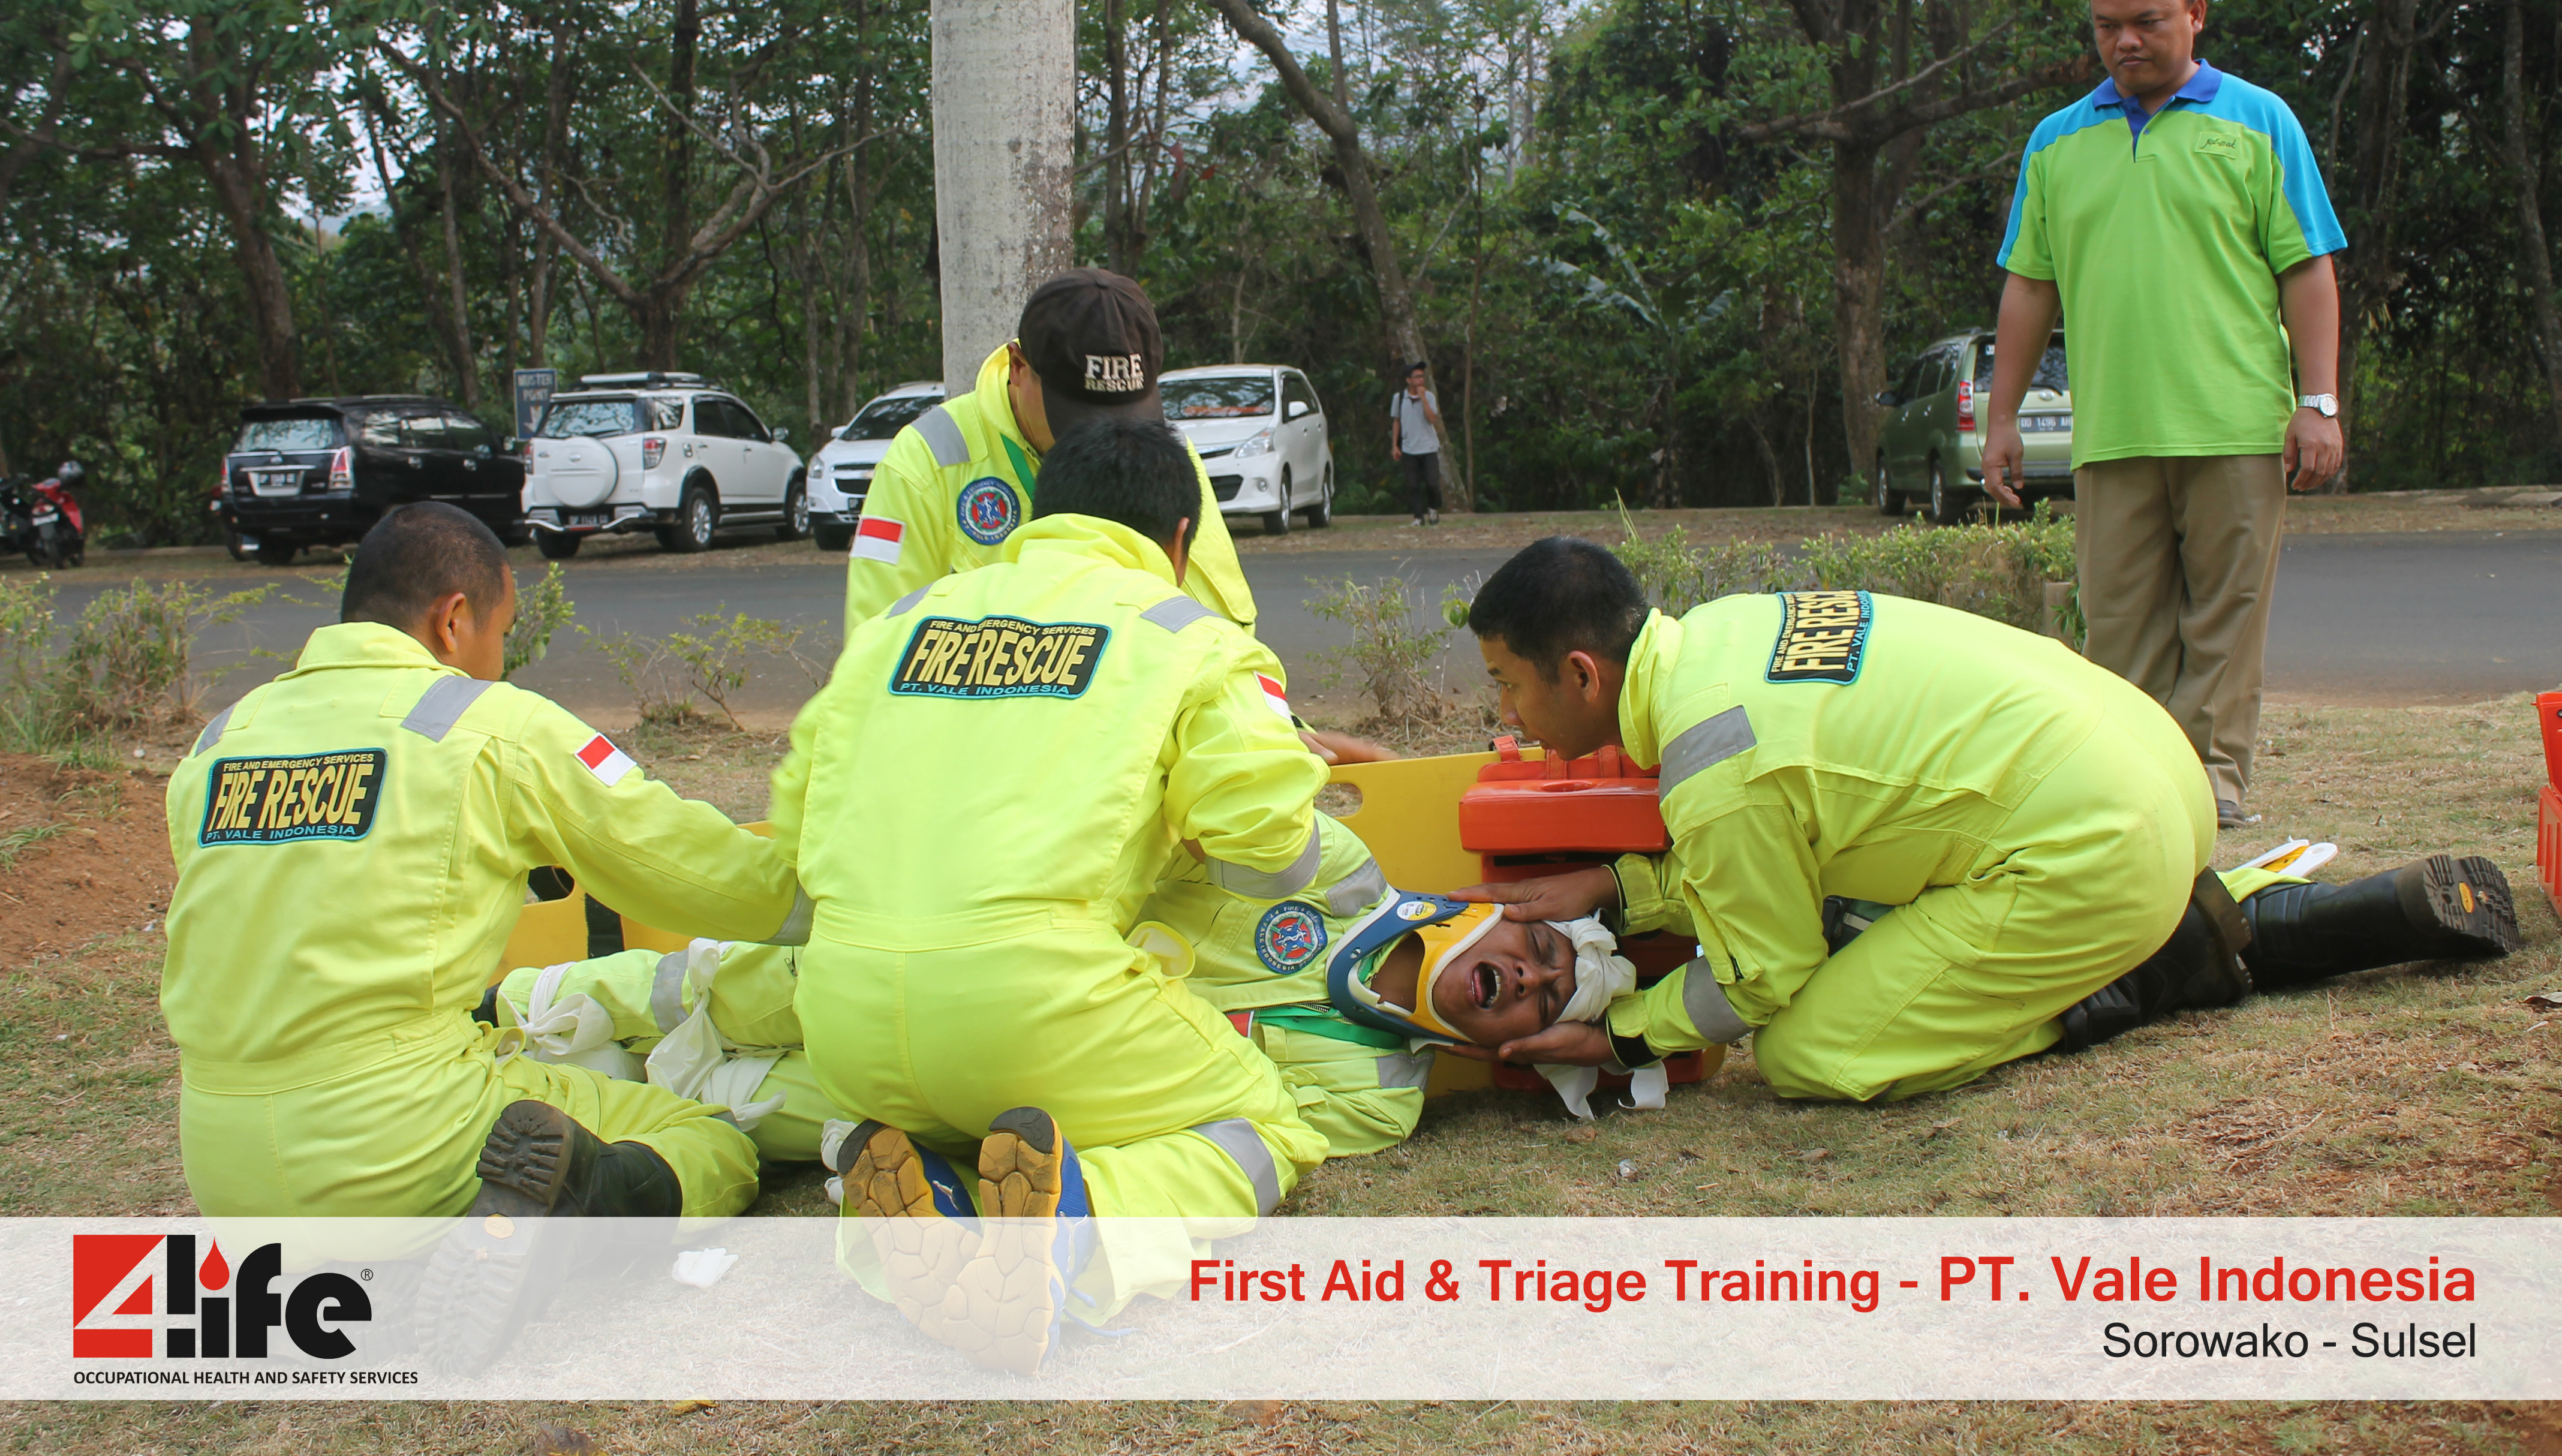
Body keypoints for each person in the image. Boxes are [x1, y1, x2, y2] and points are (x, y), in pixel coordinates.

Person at [1445, 539, 2516, 1100]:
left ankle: (2147, 972)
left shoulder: (1710, 767)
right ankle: (2195, 919)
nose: (1507, 714)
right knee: (1865, 907)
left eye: (1507, 684)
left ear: (1580, 672)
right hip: (2153, 767)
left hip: (2093, 847)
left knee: (1816, 1050)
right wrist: (1624, 890)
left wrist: (1626, 1030)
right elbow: (1784, 838)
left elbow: (1762, 972)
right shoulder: (1722, 635)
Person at [160, 503, 808, 1357]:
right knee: (708, 1141)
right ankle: (556, 1235)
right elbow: (690, 865)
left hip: (225, 1172)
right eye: (501, 631)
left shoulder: (216, 742)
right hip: (396, 1143)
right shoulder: (487, 726)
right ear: (455, 619)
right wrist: (827, 901)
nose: (501, 660)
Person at [774, 417, 1331, 1376]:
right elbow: (1273, 858)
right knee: (1270, 1125)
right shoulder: (1186, 635)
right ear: (1182, 542)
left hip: (848, 1027)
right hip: (1035, 1014)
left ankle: (946, 1203)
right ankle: (1084, 1233)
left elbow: (794, 827)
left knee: (970, 1123)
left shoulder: (899, 628)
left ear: (1035, 515)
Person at [1980, 0, 2346, 828]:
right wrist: (2002, 419)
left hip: (2237, 424)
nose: (2125, 41)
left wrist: (2318, 402)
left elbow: (2307, 268)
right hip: (2112, 432)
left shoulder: (2260, 121)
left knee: (2226, 616)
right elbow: (2030, 287)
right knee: (2119, 627)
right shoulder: (2057, 141)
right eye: (2107, 25)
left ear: (2195, 14)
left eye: (2145, 19)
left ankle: (2213, 779)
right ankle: (2135, 784)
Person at [841, 267, 1256, 635]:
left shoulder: (1161, 447)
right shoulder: (927, 461)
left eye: (1126, 413)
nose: (1108, 436)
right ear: (1019, 367)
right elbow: (875, 646)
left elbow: (1217, 610)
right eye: (1080, 418)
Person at [1388, 362, 1445, 528]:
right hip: (1409, 448)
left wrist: (1423, 399)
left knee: (1432, 483)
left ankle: (1433, 509)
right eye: (1417, 377)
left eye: (1422, 376)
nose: (1421, 380)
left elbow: (1433, 419)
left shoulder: (1430, 397)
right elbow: (1396, 422)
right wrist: (1395, 446)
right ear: (1408, 380)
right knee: (1413, 485)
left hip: (1428, 447)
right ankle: (1418, 518)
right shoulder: (1399, 398)